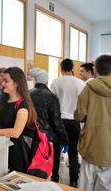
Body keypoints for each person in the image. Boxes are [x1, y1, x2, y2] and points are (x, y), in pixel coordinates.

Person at [0, 67, 37, 172]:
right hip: (0, 149)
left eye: (6, 81)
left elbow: (16, 132)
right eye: (2, 81)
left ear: (16, 83)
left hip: (15, 153)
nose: (2, 84)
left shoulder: (22, 105)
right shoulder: (4, 102)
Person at [74, 55, 111, 191]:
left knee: (86, 185)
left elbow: (79, 115)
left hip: (92, 144)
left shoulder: (88, 88)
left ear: (95, 69)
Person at [28, 68, 69, 178]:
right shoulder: (51, 97)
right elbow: (57, 123)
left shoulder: (28, 94)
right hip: (48, 140)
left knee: (32, 169)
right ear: (46, 81)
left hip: (31, 136)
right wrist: (64, 139)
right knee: (50, 169)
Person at [50, 59, 85, 187]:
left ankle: (54, 176)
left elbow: (52, 102)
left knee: (56, 149)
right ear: (72, 68)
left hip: (59, 120)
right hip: (74, 120)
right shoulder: (80, 83)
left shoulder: (56, 82)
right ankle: (74, 181)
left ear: (61, 68)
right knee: (73, 152)